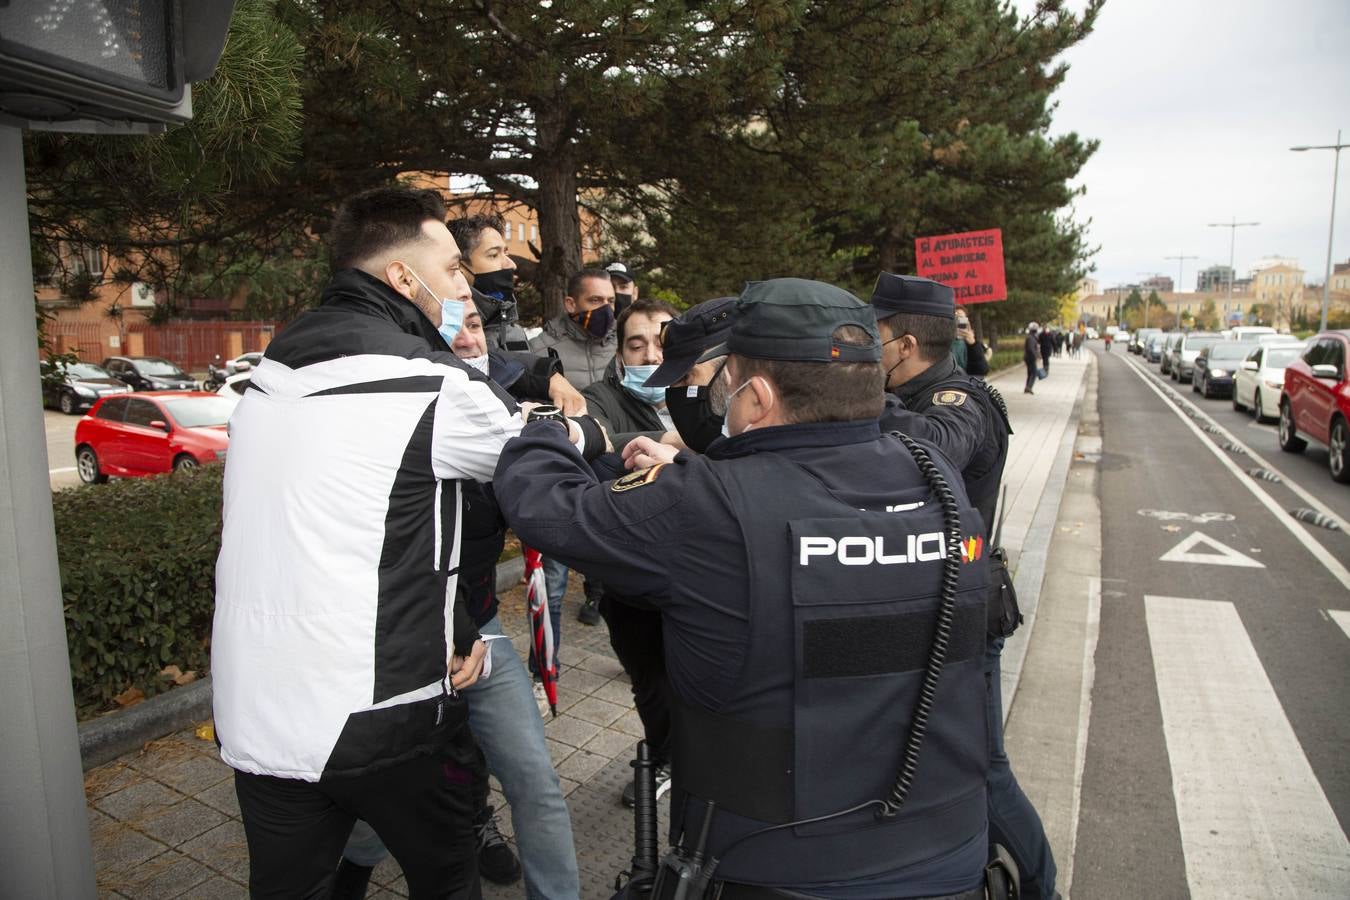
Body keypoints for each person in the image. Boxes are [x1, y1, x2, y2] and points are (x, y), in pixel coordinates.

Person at [494, 278, 994, 898]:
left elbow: (546, 508)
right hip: (951, 850)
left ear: (755, 397)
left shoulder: (707, 509)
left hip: (776, 867)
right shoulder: (933, 473)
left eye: (723, 384)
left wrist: (548, 430)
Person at [212, 186, 590, 898]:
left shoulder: (269, 375)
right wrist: (588, 431)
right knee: (447, 876)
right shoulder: (432, 383)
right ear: (401, 279)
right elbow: (546, 468)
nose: (466, 284)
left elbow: (338, 531)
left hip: (256, 716)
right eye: (452, 269)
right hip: (382, 714)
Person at [333, 300, 586, 899]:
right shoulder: (393, 430)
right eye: (454, 330)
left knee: (535, 781)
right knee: (385, 796)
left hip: (480, 632)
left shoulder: (507, 413)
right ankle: (349, 870)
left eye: (475, 325)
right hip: (407, 644)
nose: (470, 340)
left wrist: (577, 425)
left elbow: (566, 490)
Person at [870, 273, 1059, 900]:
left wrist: (866, 400)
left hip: (963, 609)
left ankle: (1040, 886)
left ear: (900, 343)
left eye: (875, 337)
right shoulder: (925, 391)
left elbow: (941, 448)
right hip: (930, 605)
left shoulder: (958, 400)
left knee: (983, 770)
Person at [595, 295, 738, 808]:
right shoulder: (603, 398)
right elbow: (597, 443)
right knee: (652, 684)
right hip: (635, 583)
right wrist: (670, 443)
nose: (654, 356)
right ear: (620, 358)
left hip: (708, 580)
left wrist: (681, 450)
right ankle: (665, 758)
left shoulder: (726, 397)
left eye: (665, 343)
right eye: (638, 345)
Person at [529, 268, 619, 649]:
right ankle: (543, 670)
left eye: (610, 301)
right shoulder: (540, 350)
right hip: (562, 473)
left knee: (615, 567)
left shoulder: (620, 346)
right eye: (595, 301)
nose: (605, 310)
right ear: (571, 304)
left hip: (611, 467)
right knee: (553, 577)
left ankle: (599, 600)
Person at [448, 213, 587, 415]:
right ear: (459, 267)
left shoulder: (512, 328)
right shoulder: (448, 327)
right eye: (494, 255)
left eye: (506, 253)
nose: (510, 264)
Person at [951, 306, 989, 376]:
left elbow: (982, 370)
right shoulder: (942, 343)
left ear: (967, 322)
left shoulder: (972, 344)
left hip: (966, 384)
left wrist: (973, 344)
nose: (958, 322)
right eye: (955, 318)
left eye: (961, 319)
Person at [1023, 323, 1042, 395]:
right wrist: (1036, 356)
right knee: (1033, 373)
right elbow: (1031, 349)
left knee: (1030, 373)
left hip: (1029, 357)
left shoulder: (1031, 337)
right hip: (1030, 358)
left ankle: (1027, 387)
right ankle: (1029, 387)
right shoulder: (1031, 338)